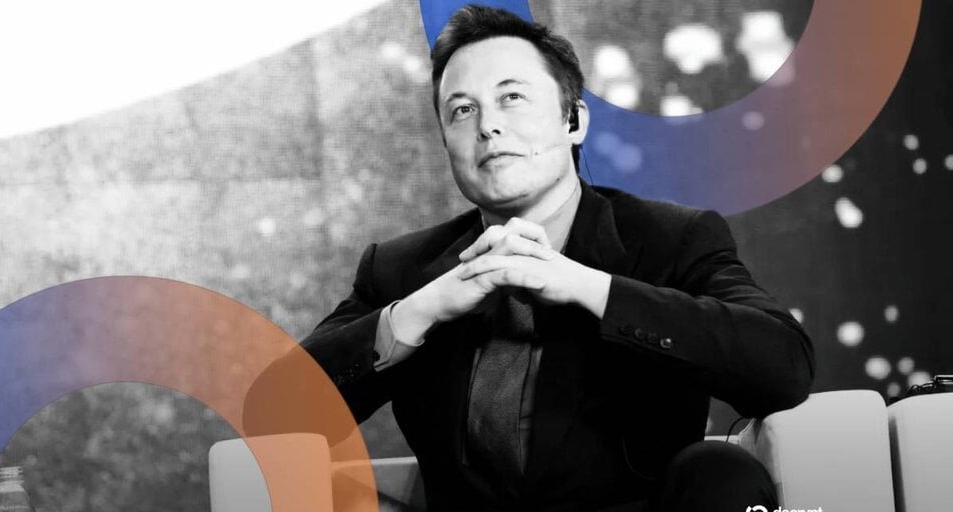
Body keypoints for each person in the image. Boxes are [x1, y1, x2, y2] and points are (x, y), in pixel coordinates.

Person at [301, 5, 814, 511]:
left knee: (721, 471)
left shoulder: (669, 239)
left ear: (574, 120)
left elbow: (783, 367)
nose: (488, 127)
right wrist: (422, 310)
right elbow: (278, 411)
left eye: (512, 97)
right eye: (462, 110)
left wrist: (587, 287)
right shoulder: (402, 270)